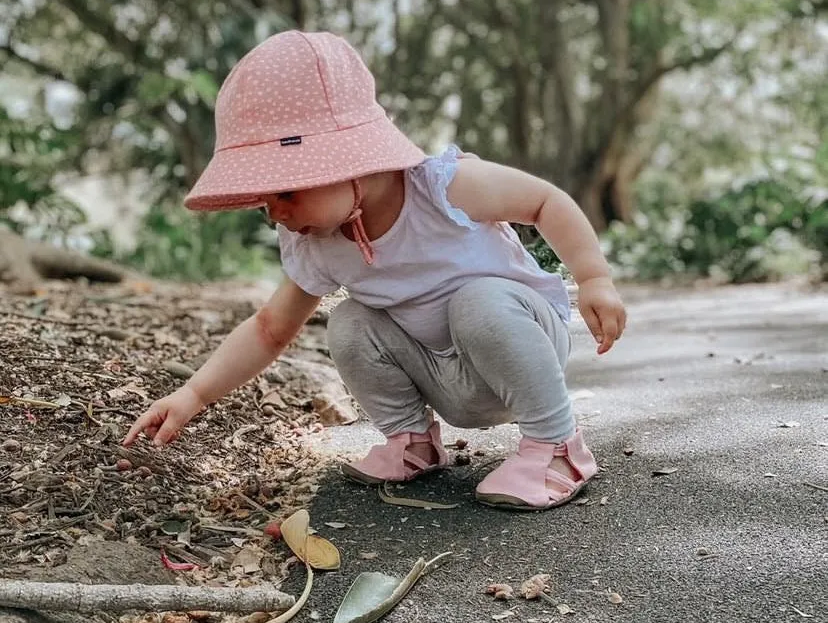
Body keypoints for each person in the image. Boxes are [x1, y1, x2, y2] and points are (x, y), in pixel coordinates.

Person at [123, 30, 626, 511]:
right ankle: (411, 441)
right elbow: (270, 328)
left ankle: (557, 445)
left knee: (478, 302)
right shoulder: (315, 240)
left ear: (351, 164)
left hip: (520, 349)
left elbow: (544, 200)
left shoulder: (442, 187)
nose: (275, 212)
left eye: (287, 191)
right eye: (264, 200)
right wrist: (194, 393)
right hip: (440, 374)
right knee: (350, 320)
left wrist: (593, 278)